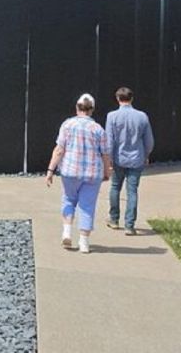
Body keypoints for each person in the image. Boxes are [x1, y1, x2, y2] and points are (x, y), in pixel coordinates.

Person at [45, 93, 112, 253]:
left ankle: (67, 232)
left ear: (77, 107)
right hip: (91, 174)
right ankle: (84, 242)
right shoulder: (98, 129)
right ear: (92, 110)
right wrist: (106, 172)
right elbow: (105, 154)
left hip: (70, 171)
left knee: (68, 200)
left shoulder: (67, 125)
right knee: (87, 206)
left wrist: (50, 170)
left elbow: (59, 149)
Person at [104, 86, 154, 236]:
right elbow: (149, 141)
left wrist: (109, 159)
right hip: (136, 158)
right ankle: (129, 225)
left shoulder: (112, 116)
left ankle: (114, 219)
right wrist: (146, 154)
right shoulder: (142, 116)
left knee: (115, 187)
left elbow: (109, 140)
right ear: (132, 99)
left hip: (118, 158)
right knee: (132, 191)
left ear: (118, 99)